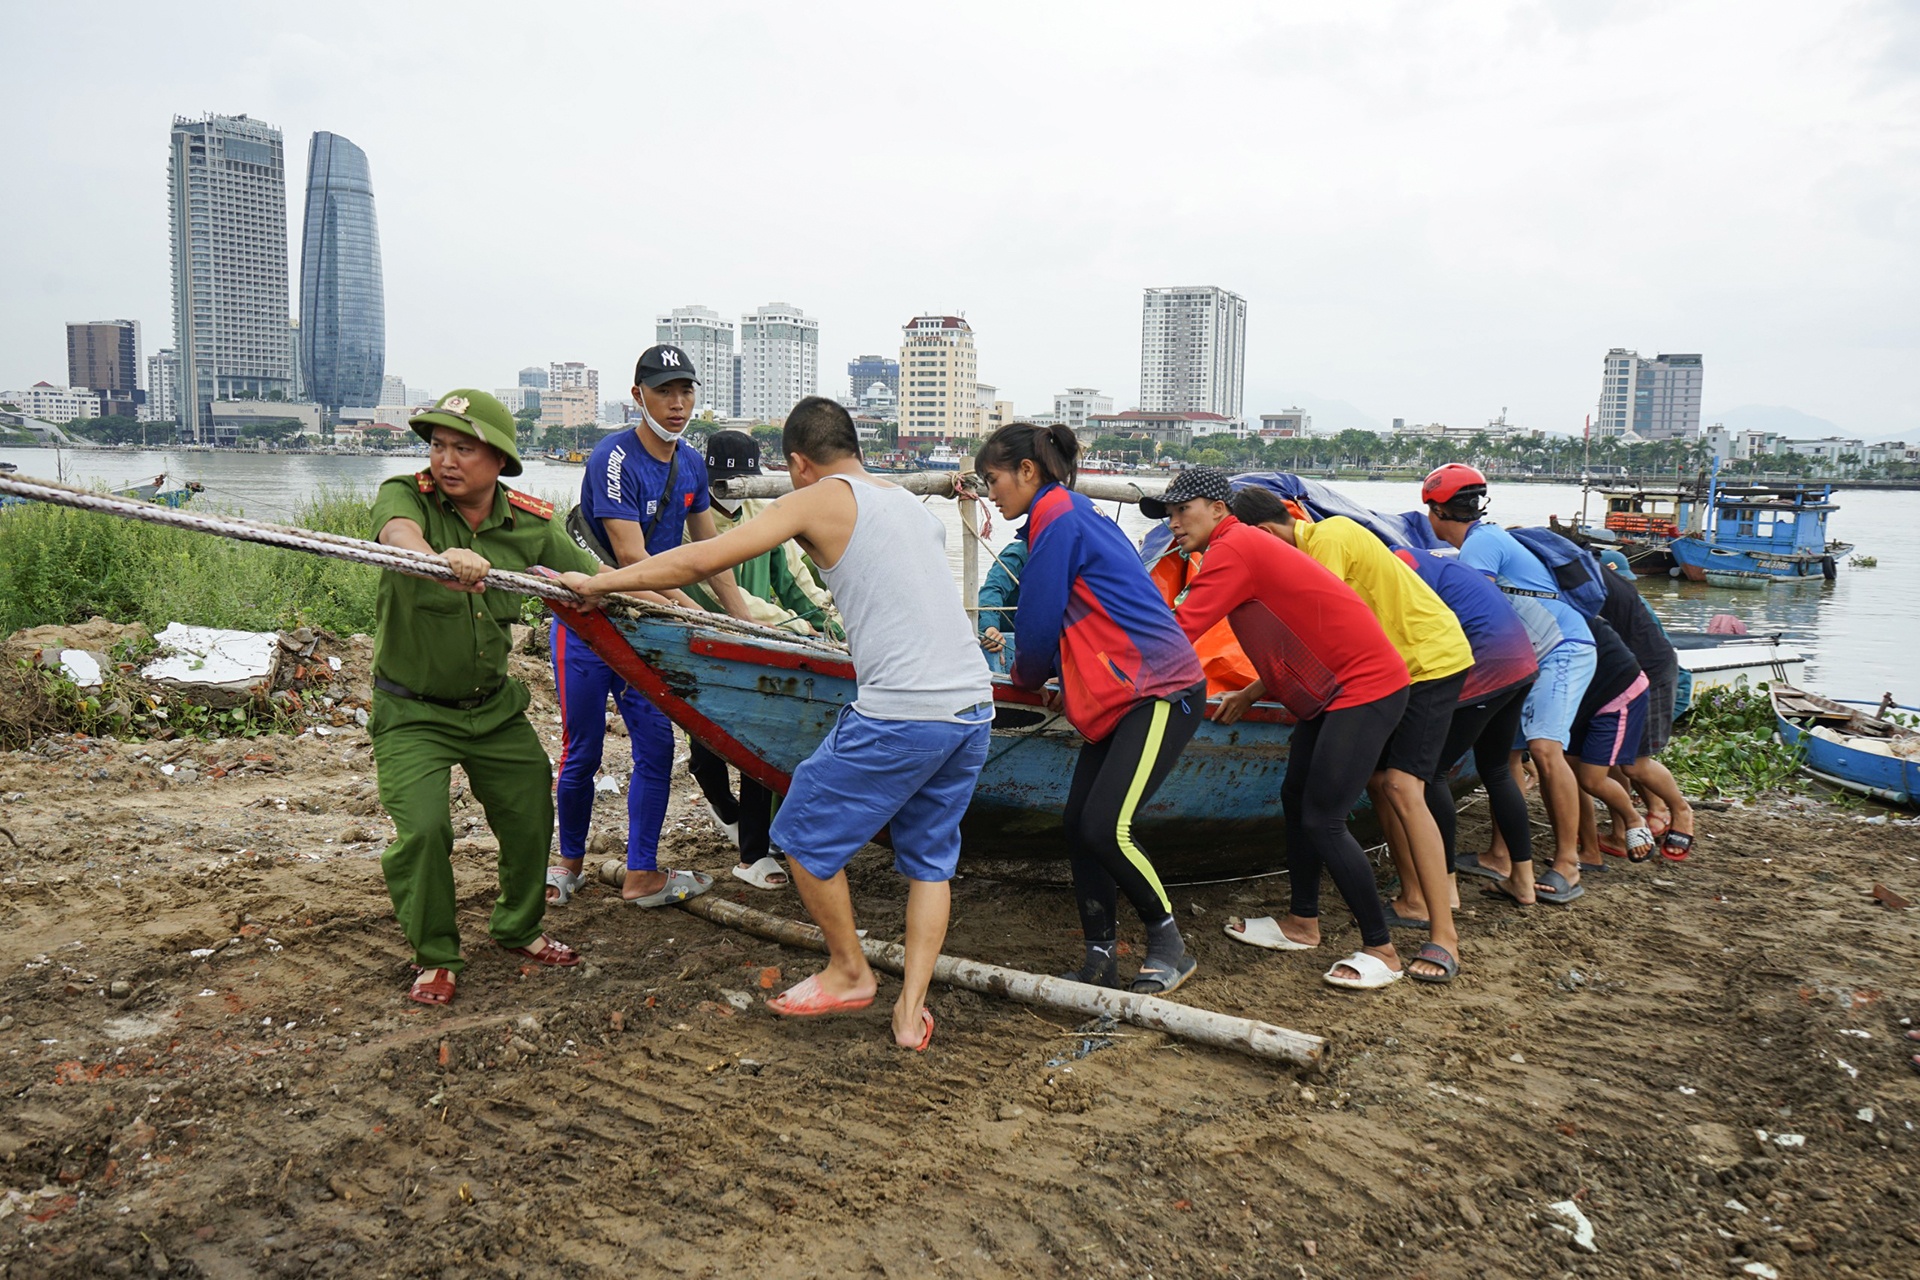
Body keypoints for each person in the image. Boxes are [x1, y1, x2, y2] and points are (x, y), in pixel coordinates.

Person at [559, 397, 991, 1052]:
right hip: (973, 706)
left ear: (797, 462)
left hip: (906, 708)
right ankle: (909, 1014)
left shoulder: (819, 497)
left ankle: (850, 971)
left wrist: (605, 585)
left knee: (800, 835)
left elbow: (704, 559)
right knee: (929, 861)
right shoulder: (906, 503)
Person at [369, 390, 601, 1007]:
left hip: (494, 708)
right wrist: (439, 559)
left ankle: (518, 927)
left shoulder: (530, 520)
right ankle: (437, 955)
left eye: (462, 448)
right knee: (422, 831)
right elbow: (398, 536)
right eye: (438, 445)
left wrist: (594, 588)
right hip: (412, 709)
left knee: (530, 811)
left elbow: (586, 578)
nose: (445, 460)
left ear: (498, 459)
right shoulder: (406, 494)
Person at [1152, 468, 1412, 990]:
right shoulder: (1235, 544)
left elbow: (1179, 630)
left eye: (1184, 510)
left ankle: (1382, 950)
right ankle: (1302, 924)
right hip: (1331, 692)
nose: (1174, 523)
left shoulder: (1233, 548)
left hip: (1365, 687)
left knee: (1324, 819)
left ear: (1219, 509)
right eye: (1169, 513)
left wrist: (1101, 665)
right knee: (1296, 798)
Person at [978, 424, 1207, 994]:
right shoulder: (1070, 514)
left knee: (1106, 826)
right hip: (1116, 697)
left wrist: (1026, 678)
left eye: (994, 479)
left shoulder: (1057, 520)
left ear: (1028, 471)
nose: (991, 492)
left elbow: (1035, 626)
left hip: (1159, 690)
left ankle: (1169, 944)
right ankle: (1100, 956)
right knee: (1079, 827)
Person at [1223, 487, 1473, 986]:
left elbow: (1317, 623)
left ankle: (1444, 935)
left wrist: (1254, 688)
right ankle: (1303, 921)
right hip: (1365, 678)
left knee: (1403, 786)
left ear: (1268, 536)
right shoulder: (1305, 549)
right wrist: (1254, 691)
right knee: (1306, 792)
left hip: (1427, 662)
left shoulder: (1329, 537)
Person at [545, 345, 752, 909]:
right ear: (638, 396)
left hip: (649, 630)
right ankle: (567, 866)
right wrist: (697, 613)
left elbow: (711, 552)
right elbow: (633, 562)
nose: (678, 403)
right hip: (591, 624)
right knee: (582, 751)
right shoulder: (613, 458)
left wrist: (744, 622)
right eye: (665, 391)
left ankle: (641, 874)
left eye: (686, 391)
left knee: (656, 749)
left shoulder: (689, 463)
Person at [1423, 464, 1594, 907]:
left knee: (1544, 750)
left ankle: (1568, 865)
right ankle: (1502, 856)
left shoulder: (1481, 544)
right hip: (1525, 659)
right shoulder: (1486, 541)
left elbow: (1471, 611)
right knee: (1505, 759)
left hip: (1561, 648)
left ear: (1436, 511)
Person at [682, 428, 844, 890]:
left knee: (763, 741)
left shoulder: (764, 514)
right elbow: (711, 591)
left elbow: (798, 582)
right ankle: (724, 809)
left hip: (764, 648)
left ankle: (754, 851)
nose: (731, 497)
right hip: (704, 641)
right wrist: (793, 624)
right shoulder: (686, 522)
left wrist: (831, 624)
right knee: (705, 748)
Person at [1592, 560, 1695, 862]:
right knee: (1611, 758)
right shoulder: (1599, 585)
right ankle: (1624, 829)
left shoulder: (1619, 598)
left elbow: (1658, 650)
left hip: (1648, 675)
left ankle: (1677, 810)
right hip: (1621, 675)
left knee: (1635, 764)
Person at [976, 526, 1027, 675]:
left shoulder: (1073, 559)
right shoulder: (1019, 554)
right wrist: (990, 626)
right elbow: (993, 588)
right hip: (1010, 632)